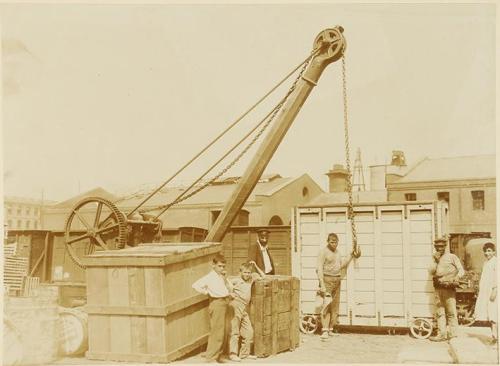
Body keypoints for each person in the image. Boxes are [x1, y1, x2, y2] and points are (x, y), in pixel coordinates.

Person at [192, 254, 233, 363]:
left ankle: (218, 355)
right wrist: (207, 292)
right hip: (217, 303)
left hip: (225, 302)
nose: (222, 268)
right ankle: (210, 358)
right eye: (220, 266)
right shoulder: (209, 277)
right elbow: (195, 285)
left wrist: (225, 279)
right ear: (213, 265)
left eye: (224, 266)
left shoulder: (221, 276)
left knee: (224, 331)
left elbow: (229, 288)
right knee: (217, 331)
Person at [316, 232, 354, 340]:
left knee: (334, 306)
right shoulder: (323, 252)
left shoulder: (337, 252)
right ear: (328, 241)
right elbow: (319, 269)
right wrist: (322, 284)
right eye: (332, 242)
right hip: (327, 280)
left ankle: (331, 329)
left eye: (336, 242)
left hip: (337, 280)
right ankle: (324, 330)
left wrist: (351, 255)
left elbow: (341, 265)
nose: (334, 244)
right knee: (326, 305)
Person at [227, 261, 265, 362]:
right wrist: (230, 292)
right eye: (245, 272)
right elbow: (226, 282)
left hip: (244, 308)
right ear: (240, 272)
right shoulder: (236, 280)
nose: (247, 274)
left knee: (249, 332)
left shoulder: (251, 278)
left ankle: (244, 354)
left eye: (248, 272)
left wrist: (255, 265)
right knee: (234, 331)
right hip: (235, 306)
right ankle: (232, 354)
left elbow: (263, 276)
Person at [429, 237, 465, 342]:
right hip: (438, 288)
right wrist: (436, 261)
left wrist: (457, 278)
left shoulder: (452, 257)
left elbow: (461, 270)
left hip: (449, 288)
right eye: (437, 246)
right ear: (435, 247)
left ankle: (453, 335)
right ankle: (442, 334)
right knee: (440, 312)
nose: (439, 248)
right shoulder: (433, 258)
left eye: (441, 246)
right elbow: (431, 272)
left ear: (445, 246)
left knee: (451, 312)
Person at [474, 242, 497, 344]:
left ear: (494, 251)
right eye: (486, 251)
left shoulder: (496, 262)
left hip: (494, 292)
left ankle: (496, 337)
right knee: (490, 315)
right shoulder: (486, 263)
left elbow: (497, 277)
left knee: (495, 315)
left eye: (489, 251)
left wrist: (495, 290)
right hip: (486, 292)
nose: (487, 253)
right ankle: (494, 336)